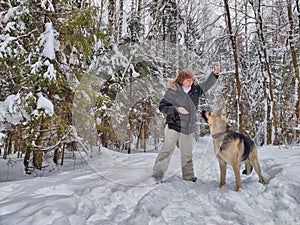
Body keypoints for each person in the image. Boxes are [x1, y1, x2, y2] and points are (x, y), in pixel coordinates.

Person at [152, 66, 221, 183]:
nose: (191, 82)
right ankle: (157, 175)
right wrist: (176, 109)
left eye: (192, 80)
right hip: (173, 127)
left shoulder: (195, 90)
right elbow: (162, 107)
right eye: (188, 80)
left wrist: (214, 74)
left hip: (188, 129)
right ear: (181, 80)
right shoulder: (173, 91)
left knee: (187, 154)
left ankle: (189, 177)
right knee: (167, 151)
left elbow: (207, 85)